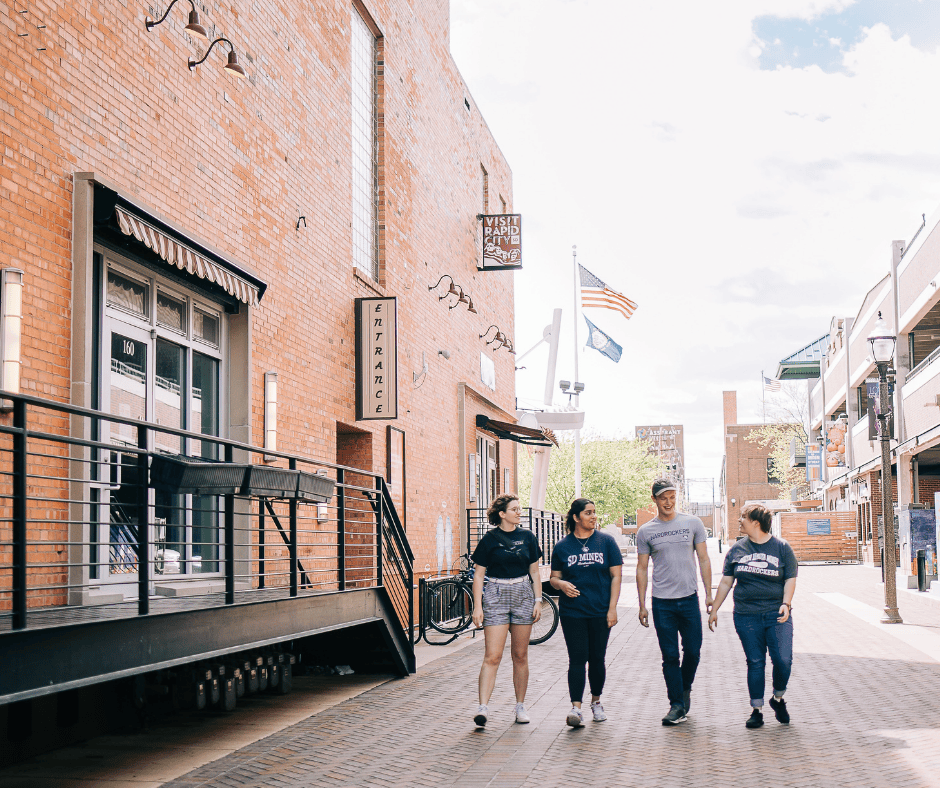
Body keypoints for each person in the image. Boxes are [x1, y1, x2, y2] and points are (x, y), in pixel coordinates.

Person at [708, 503, 797, 729]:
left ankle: (778, 698)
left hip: (776, 614)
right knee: (755, 661)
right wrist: (715, 608)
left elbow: (790, 578)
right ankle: (756, 710)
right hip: (746, 615)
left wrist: (786, 603)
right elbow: (727, 581)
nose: (739, 521)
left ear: (756, 522)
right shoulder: (737, 550)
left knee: (783, 659)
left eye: (743, 517)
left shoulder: (782, 547)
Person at [636, 478, 712, 726]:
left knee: (692, 651)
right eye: (662, 498)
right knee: (669, 656)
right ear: (654, 500)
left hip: (689, 600)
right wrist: (641, 604)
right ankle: (676, 705)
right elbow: (642, 568)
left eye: (671, 497)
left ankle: (684, 687)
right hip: (662, 603)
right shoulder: (646, 531)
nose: (668, 502)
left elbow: (703, 559)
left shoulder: (693, 523)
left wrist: (709, 594)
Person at [470, 494, 543, 728]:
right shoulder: (490, 539)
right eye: (514, 509)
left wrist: (538, 600)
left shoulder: (528, 537)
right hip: (496, 594)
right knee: (493, 656)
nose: (518, 512)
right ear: (502, 514)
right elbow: (479, 575)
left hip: (522, 593)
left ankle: (520, 706)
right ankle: (483, 708)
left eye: (519, 509)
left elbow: (534, 572)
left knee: (520, 656)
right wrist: (477, 606)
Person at [550, 498, 622, 727]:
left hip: (600, 611)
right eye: (588, 513)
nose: (593, 516)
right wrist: (561, 585)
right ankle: (576, 708)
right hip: (573, 613)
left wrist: (612, 608)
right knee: (577, 658)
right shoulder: (563, 546)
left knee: (597, 658)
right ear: (576, 517)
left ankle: (596, 702)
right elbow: (554, 578)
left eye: (594, 512)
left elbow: (616, 576)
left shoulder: (606, 542)